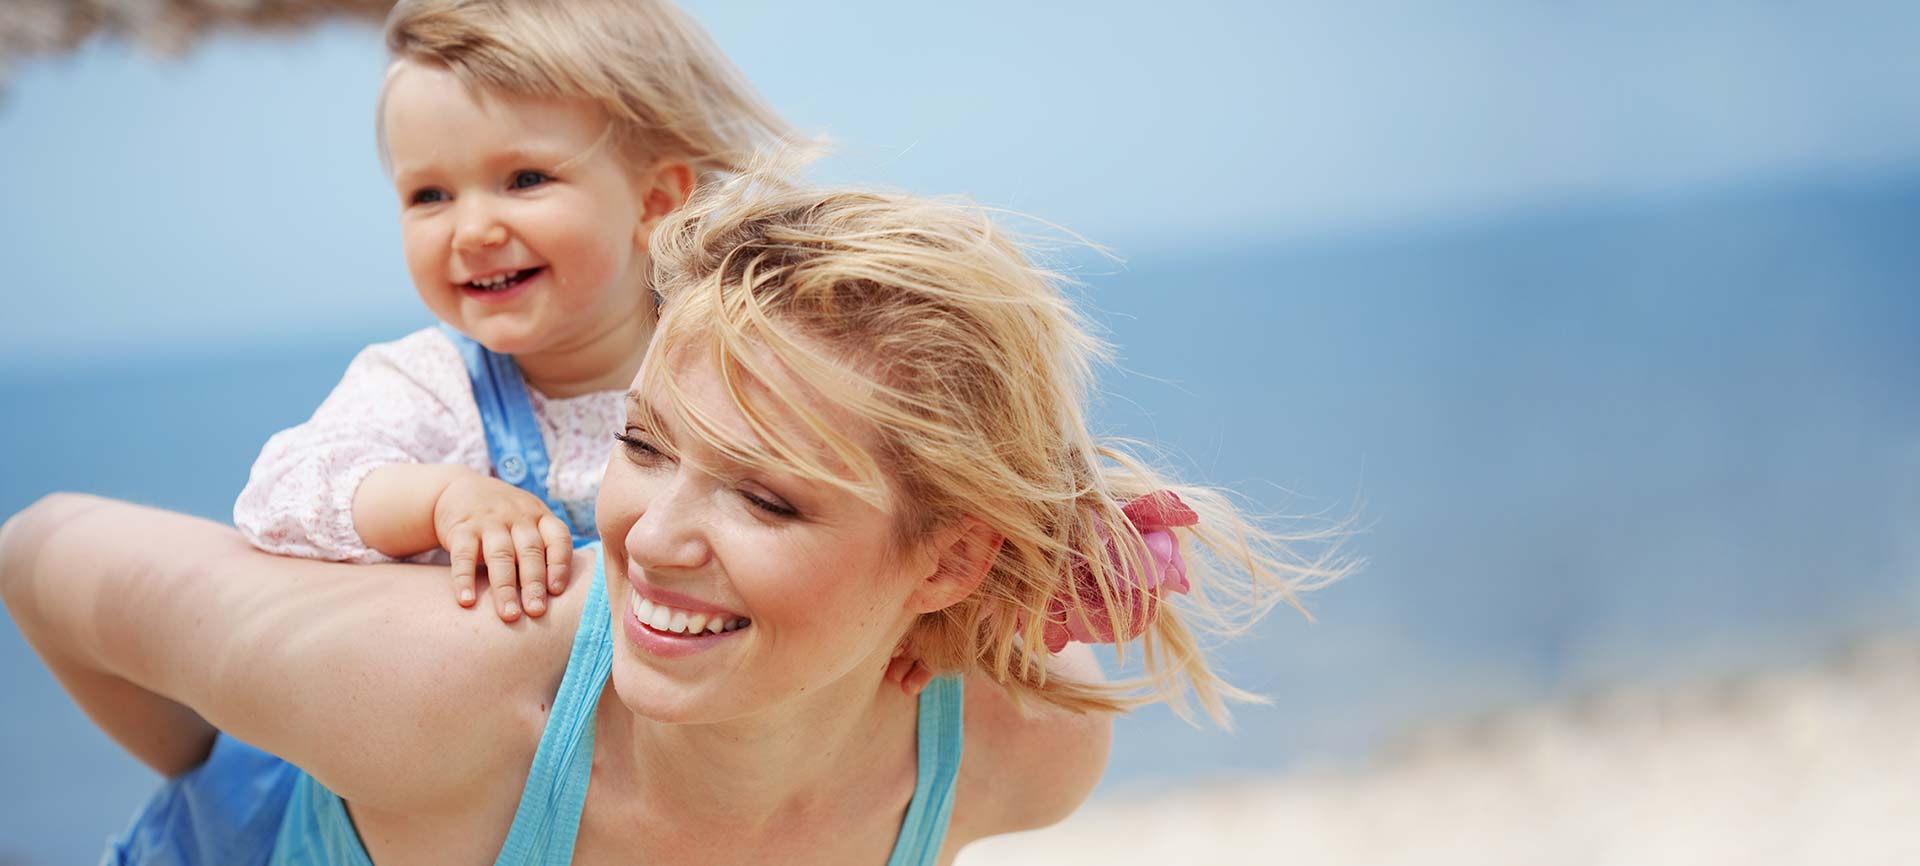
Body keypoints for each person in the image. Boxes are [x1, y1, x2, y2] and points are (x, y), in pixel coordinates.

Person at [0, 172, 1342, 864]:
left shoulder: (1019, 740)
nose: (654, 535)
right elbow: (43, 549)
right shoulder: (434, 693)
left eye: (766, 494)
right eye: (644, 444)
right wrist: (218, 773)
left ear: (951, 559)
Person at [235, 0, 800, 622]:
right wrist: (442, 500)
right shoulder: (435, 384)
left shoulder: (746, 366)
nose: (472, 231)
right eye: (430, 195)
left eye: (525, 179)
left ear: (655, 200)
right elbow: (278, 496)